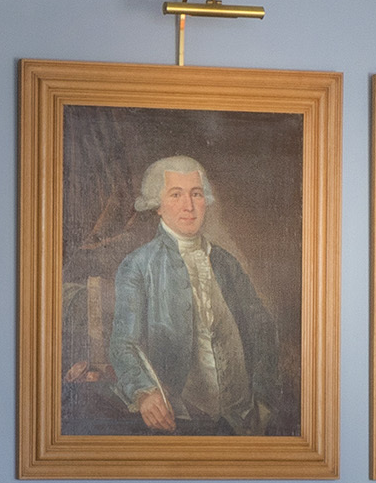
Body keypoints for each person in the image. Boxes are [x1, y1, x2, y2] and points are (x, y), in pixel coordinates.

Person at [105, 155, 285, 435]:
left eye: (196, 194)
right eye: (176, 195)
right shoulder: (138, 264)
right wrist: (144, 392)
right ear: (157, 205)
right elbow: (123, 344)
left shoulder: (226, 262)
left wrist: (263, 400)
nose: (188, 206)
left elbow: (261, 327)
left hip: (242, 419)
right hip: (180, 419)